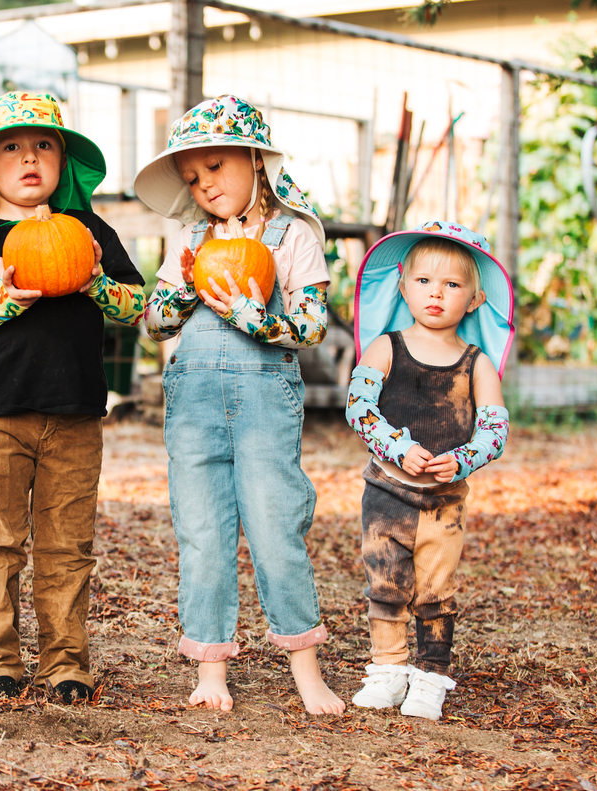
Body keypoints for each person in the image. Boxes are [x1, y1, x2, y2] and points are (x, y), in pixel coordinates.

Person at [134, 95, 344, 715]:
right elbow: (155, 323)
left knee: (277, 529)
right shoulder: (191, 239)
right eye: (193, 178)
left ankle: (305, 667)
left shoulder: (292, 235)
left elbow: (309, 327)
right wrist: (183, 289)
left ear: (255, 161)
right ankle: (210, 667)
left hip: (263, 400)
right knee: (202, 533)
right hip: (193, 402)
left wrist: (245, 311)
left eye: (216, 168)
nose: (204, 186)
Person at [0, 92, 146, 703]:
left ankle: (65, 662)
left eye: (43, 146)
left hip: (76, 412)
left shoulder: (89, 231)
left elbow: (137, 307)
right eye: (11, 147)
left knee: (66, 544)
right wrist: (0, 304)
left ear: (62, 160)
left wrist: (96, 285)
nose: (29, 157)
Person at [345, 220, 514, 721]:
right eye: (423, 281)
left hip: (444, 502)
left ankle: (431, 677)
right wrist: (396, 447)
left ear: (475, 300)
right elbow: (359, 408)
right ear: (402, 287)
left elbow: (495, 431)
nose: (436, 293)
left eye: (452, 285)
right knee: (386, 580)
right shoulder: (386, 348)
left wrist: (462, 458)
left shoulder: (475, 364)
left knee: (436, 589)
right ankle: (388, 669)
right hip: (388, 492)